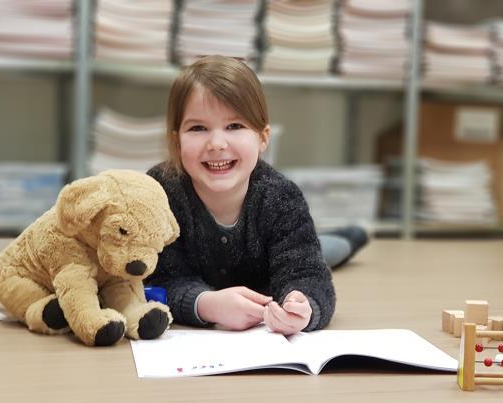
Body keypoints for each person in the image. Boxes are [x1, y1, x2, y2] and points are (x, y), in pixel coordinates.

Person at [146, 55, 367, 335]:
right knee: (319, 248)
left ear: (263, 138)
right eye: (198, 128)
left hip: (279, 260)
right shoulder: (160, 192)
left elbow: (309, 277)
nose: (216, 143)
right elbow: (155, 280)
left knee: (321, 253)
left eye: (235, 126)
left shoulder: (281, 198)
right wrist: (207, 304)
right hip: (215, 278)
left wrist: (303, 307)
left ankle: (346, 239)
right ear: (176, 140)